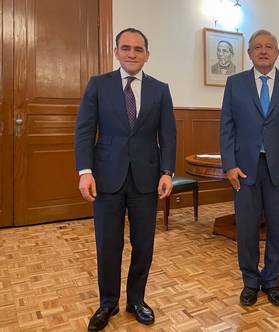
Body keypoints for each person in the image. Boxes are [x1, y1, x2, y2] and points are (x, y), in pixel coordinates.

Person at [75, 28, 176, 331]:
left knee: (143, 244)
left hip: (147, 180)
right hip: (106, 178)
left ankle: (136, 300)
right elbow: (84, 130)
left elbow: (168, 135)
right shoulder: (98, 85)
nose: (132, 53)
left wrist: (167, 172)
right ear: (116, 51)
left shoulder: (160, 89)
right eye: (126, 48)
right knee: (108, 244)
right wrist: (85, 171)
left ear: (147, 54)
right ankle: (108, 302)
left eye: (139, 49)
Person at [220, 29, 279, 307]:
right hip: (244, 169)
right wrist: (229, 165)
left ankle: (271, 280)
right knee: (246, 228)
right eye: (257, 47)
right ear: (249, 54)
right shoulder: (235, 83)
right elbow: (227, 126)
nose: (263, 51)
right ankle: (249, 281)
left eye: (269, 46)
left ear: (277, 52)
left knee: (277, 226)